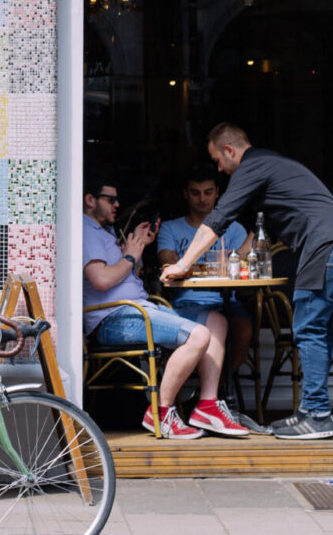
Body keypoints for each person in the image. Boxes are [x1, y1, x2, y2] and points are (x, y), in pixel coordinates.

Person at [161, 123, 333, 441]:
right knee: (319, 330)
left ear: (229, 151)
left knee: (310, 329)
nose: (218, 168)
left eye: (217, 160)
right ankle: (311, 412)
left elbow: (219, 219)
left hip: (327, 245)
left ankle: (318, 416)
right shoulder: (274, 162)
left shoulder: (252, 166)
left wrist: (184, 263)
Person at [82, 179, 246, 440]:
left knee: (216, 321)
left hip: (139, 309)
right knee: (199, 335)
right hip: (113, 317)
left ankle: (207, 405)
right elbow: (101, 280)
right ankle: (160, 412)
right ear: (90, 200)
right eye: (110, 200)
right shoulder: (85, 229)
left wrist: (135, 248)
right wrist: (130, 257)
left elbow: (123, 275)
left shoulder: (105, 231)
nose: (117, 205)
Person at [156, 172, 257, 426]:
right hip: (186, 303)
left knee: (243, 329)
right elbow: (168, 262)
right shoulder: (170, 227)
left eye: (208, 192)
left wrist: (189, 264)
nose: (202, 199)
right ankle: (211, 401)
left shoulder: (233, 228)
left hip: (226, 301)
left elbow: (240, 266)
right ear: (185, 194)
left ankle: (210, 394)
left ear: (218, 194)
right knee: (215, 325)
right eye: (195, 192)